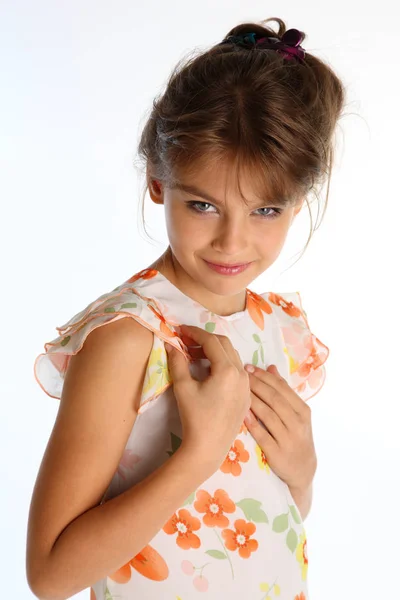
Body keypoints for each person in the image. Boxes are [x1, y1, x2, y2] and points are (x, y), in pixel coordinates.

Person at [26, 16, 346, 600]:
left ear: (298, 203)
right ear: (157, 180)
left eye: (265, 212)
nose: (232, 242)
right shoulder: (129, 337)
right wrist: (197, 454)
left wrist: (303, 471)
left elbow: (269, 520)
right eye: (203, 204)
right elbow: (50, 575)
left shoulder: (280, 329)